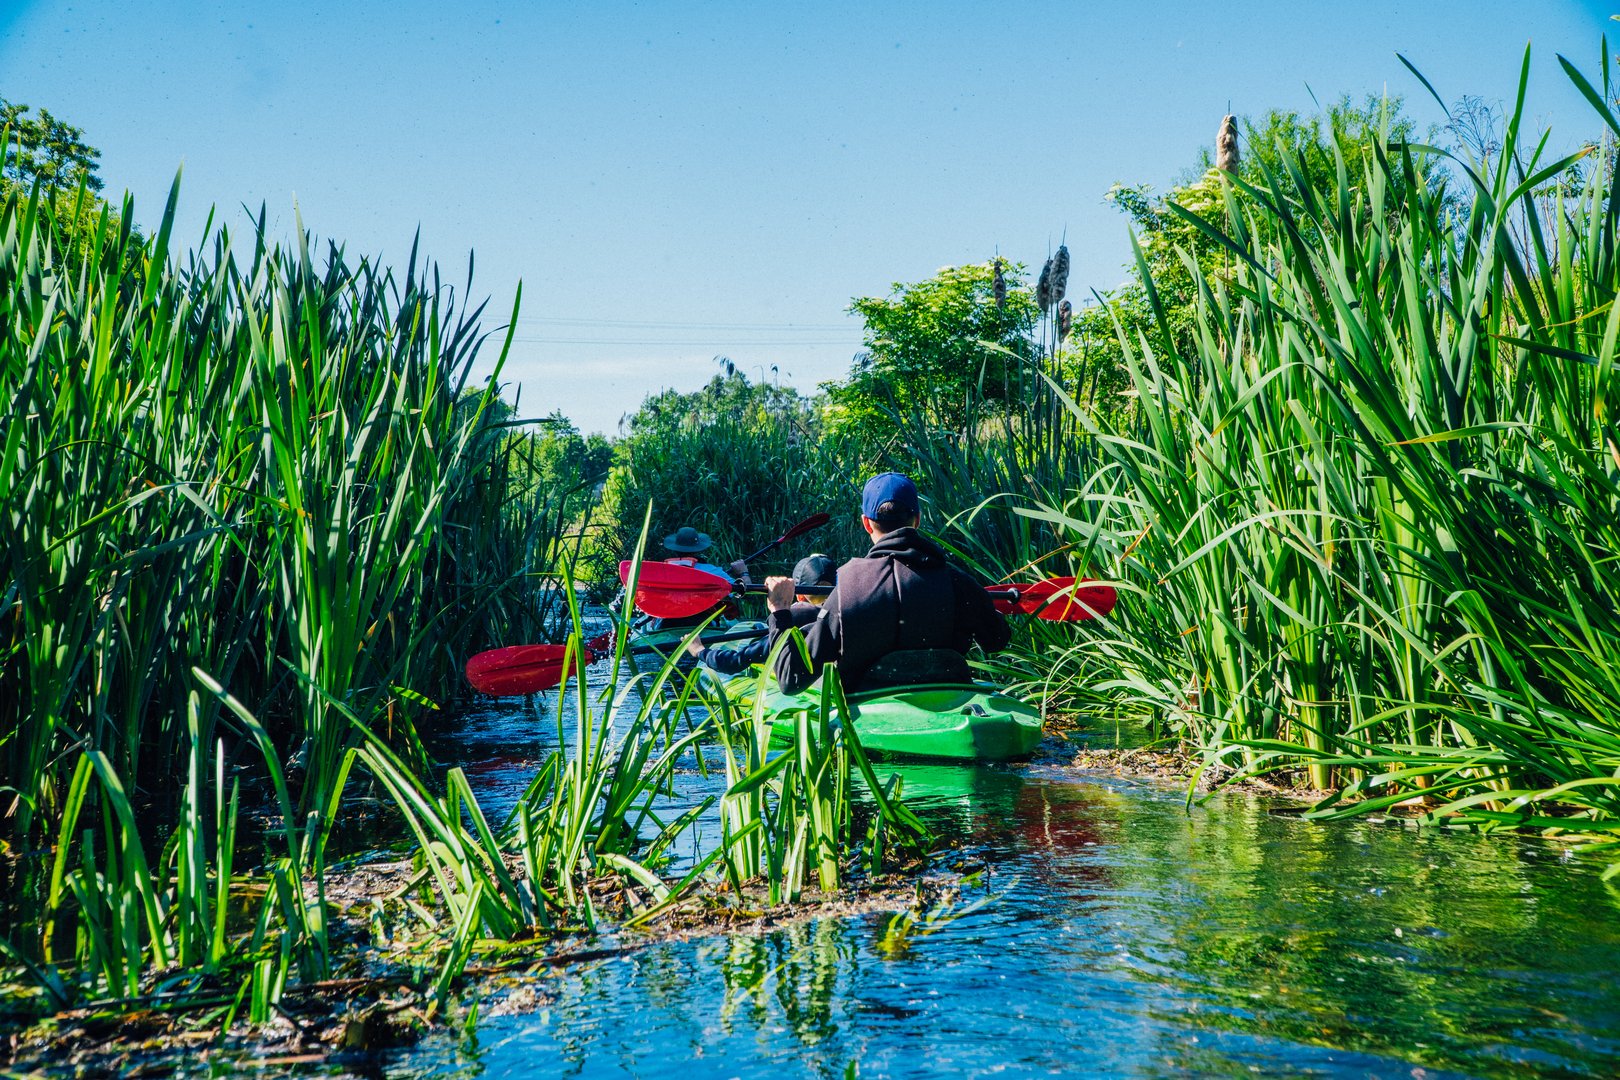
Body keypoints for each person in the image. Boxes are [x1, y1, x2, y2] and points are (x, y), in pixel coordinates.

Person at [765, 473, 1010, 695]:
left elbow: (790, 678)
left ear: (866, 523)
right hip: (951, 702)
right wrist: (981, 606)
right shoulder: (958, 581)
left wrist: (780, 612)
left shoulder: (849, 588)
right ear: (917, 520)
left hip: (871, 711)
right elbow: (996, 640)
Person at [684, 554, 835, 675]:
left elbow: (733, 662)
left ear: (798, 596)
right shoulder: (842, 616)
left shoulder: (794, 622)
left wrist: (699, 651)